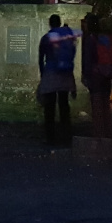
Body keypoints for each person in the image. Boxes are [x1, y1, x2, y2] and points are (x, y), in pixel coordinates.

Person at [37, 13, 77, 146]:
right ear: (59, 23)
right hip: (65, 73)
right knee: (64, 105)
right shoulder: (66, 37)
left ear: (50, 23)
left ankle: (50, 137)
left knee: (49, 107)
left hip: (51, 72)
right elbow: (72, 55)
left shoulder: (46, 38)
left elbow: (41, 58)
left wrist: (43, 75)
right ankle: (66, 135)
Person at [80, 13, 112, 138]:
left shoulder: (90, 39)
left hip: (95, 77)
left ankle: (99, 135)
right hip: (106, 75)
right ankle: (107, 132)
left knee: (97, 105)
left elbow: (88, 60)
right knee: (105, 104)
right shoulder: (105, 38)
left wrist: (85, 76)